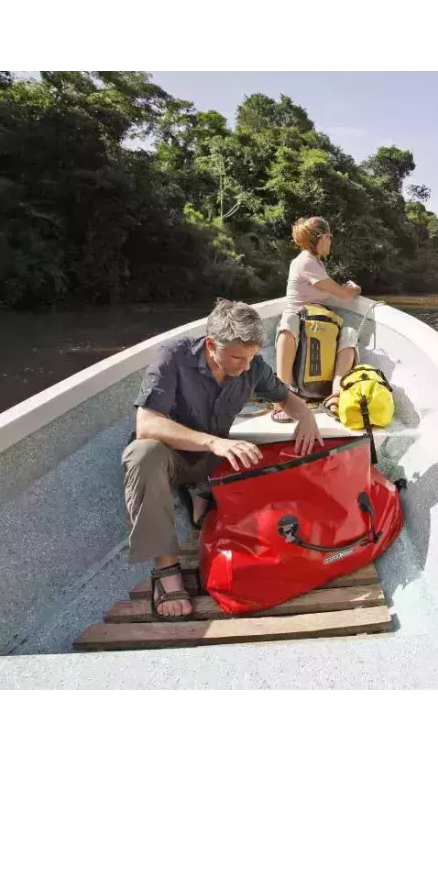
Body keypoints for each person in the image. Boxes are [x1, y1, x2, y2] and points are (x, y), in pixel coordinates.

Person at [122, 297, 321, 617]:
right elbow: (146, 424)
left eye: (252, 357)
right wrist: (213, 442)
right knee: (142, 453)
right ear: (211, 345)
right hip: (169, 458)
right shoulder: (173, 356)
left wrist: (306, 417)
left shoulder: (252, 366)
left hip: (212, 461)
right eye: (238, 357)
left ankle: (201, 491)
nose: (246, 367)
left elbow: (287, 398)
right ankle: (166, 571)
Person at [270, 216, 362, 422]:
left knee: (349, 333)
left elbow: (332, 290)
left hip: (317, 322)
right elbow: (344, 293)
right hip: (300, 322)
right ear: (321, 238)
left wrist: (344, 290)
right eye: (330, 237)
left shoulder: (317, 263)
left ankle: (335, 392)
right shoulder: (306, 262)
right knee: (290, 320)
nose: (330, 242)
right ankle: (281, 394)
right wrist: (354, 288)